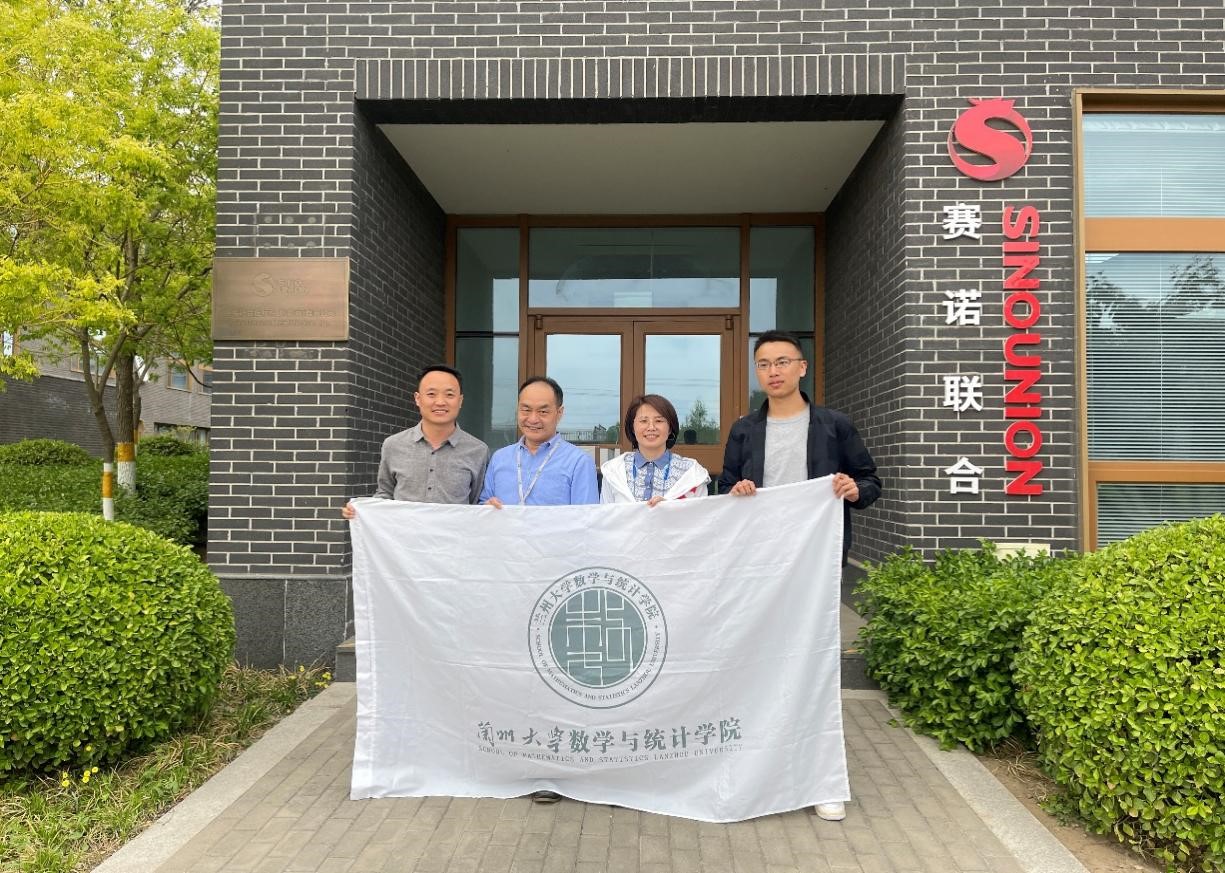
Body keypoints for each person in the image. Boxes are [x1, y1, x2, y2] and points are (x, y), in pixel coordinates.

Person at [717, 329, 882, 823]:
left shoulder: (834, 426)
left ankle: (820, 777)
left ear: (802, 368)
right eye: (764, 364)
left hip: (814, 563)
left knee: (814, 663)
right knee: (758, 661)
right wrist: (737, 491)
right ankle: (754, 763)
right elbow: (726, 486)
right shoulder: (745, 429)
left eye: (783, 362)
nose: (774, 371)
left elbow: (871, 479)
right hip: (760, 564)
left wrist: (854, 489)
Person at [341, 365, 488, 518]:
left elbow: (476, 504)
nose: (440, 402)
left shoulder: (478, 450)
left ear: (460, 400)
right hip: (402, 533)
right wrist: (361, 512)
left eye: (449, 395)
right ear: (418, 399)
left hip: (454, 533)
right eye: (431, 394)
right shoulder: (393, 445)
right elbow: (385, 494)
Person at [480, 375, 599, 509]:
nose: (533, 419)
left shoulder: (579, 462)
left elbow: (588, 516)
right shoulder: (499, 458)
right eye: (526, 410)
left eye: (543, 411)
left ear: (559, 413)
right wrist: (487, 506)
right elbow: (482, 506)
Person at [600, 394, 710, 504]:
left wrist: (671, 509)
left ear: (670, 428)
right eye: (643, 421)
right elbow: (605, 514)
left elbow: (701, 514)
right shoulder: (614, 471)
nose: (651, 427)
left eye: (659, 421)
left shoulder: (692, 474)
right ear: (632, 427)